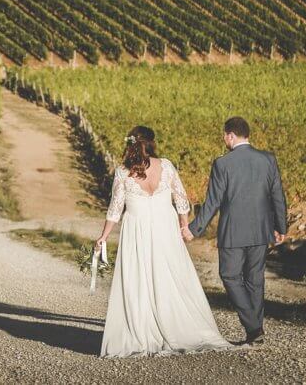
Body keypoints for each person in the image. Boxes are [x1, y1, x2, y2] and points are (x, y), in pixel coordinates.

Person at [95, 125, 230, 357]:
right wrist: (183, 225)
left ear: (130, 145)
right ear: (152, 143)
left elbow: (115, 210)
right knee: (171, 275)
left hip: (136, 230)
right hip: (165, 228)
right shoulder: (166, 166)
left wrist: (103, 237)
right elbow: (181, 199)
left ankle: (143, 329)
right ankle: (179, 325)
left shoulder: (122, 172)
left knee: (140, 279)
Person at [186, 116, 287, 346]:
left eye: (224, 135)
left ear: (231, 135)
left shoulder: (222, 164)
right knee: (255, 279)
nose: (224, 139)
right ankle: (255, 331)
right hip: (261, 231)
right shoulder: (268, 160)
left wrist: (195, 228)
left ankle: (253, 327)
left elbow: (212, 202)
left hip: (232, 232)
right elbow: (278, 196)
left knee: (230, 276)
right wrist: (281, 227)